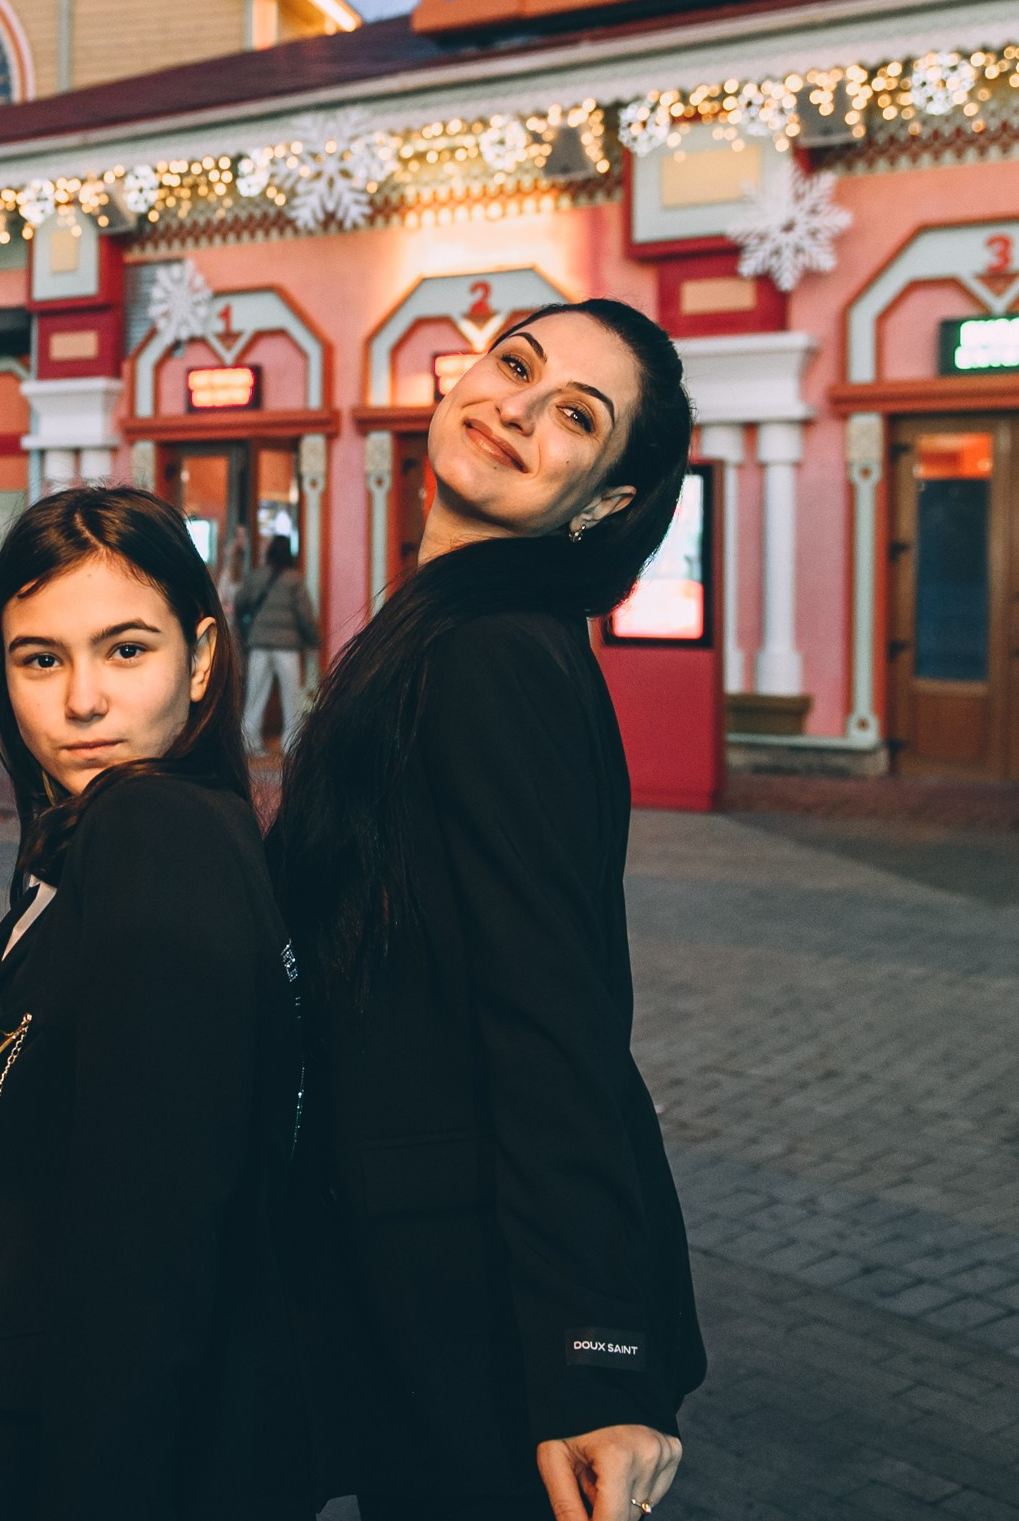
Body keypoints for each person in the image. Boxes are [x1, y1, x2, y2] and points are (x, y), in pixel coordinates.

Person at [269, 301, 705, 1521]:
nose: (518, 406)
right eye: (517, 364)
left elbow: (555, 1013)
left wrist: (596, 1353)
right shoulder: (443, 630)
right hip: (415, 1276)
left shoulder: (496, 655)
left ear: (606, 502)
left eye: (575, 416)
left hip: (480, 1307)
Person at [0, 485, 307, 1521]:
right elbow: (66, 1193)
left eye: (126, 650)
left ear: (201, 659)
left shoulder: (152, 830)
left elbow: (154, 1264)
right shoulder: (105, 842)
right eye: (40, 659)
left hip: (48, 1466)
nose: (83, 701)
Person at [235, 535, 317, 754]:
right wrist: (312, 640)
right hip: (287, 646)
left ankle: (249, 742)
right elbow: (304, 614)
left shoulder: (256, 576)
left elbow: (240, 602)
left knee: (255, 696)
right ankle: (291, 744)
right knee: (291, 697)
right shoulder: (294, 579)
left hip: (259, 643)